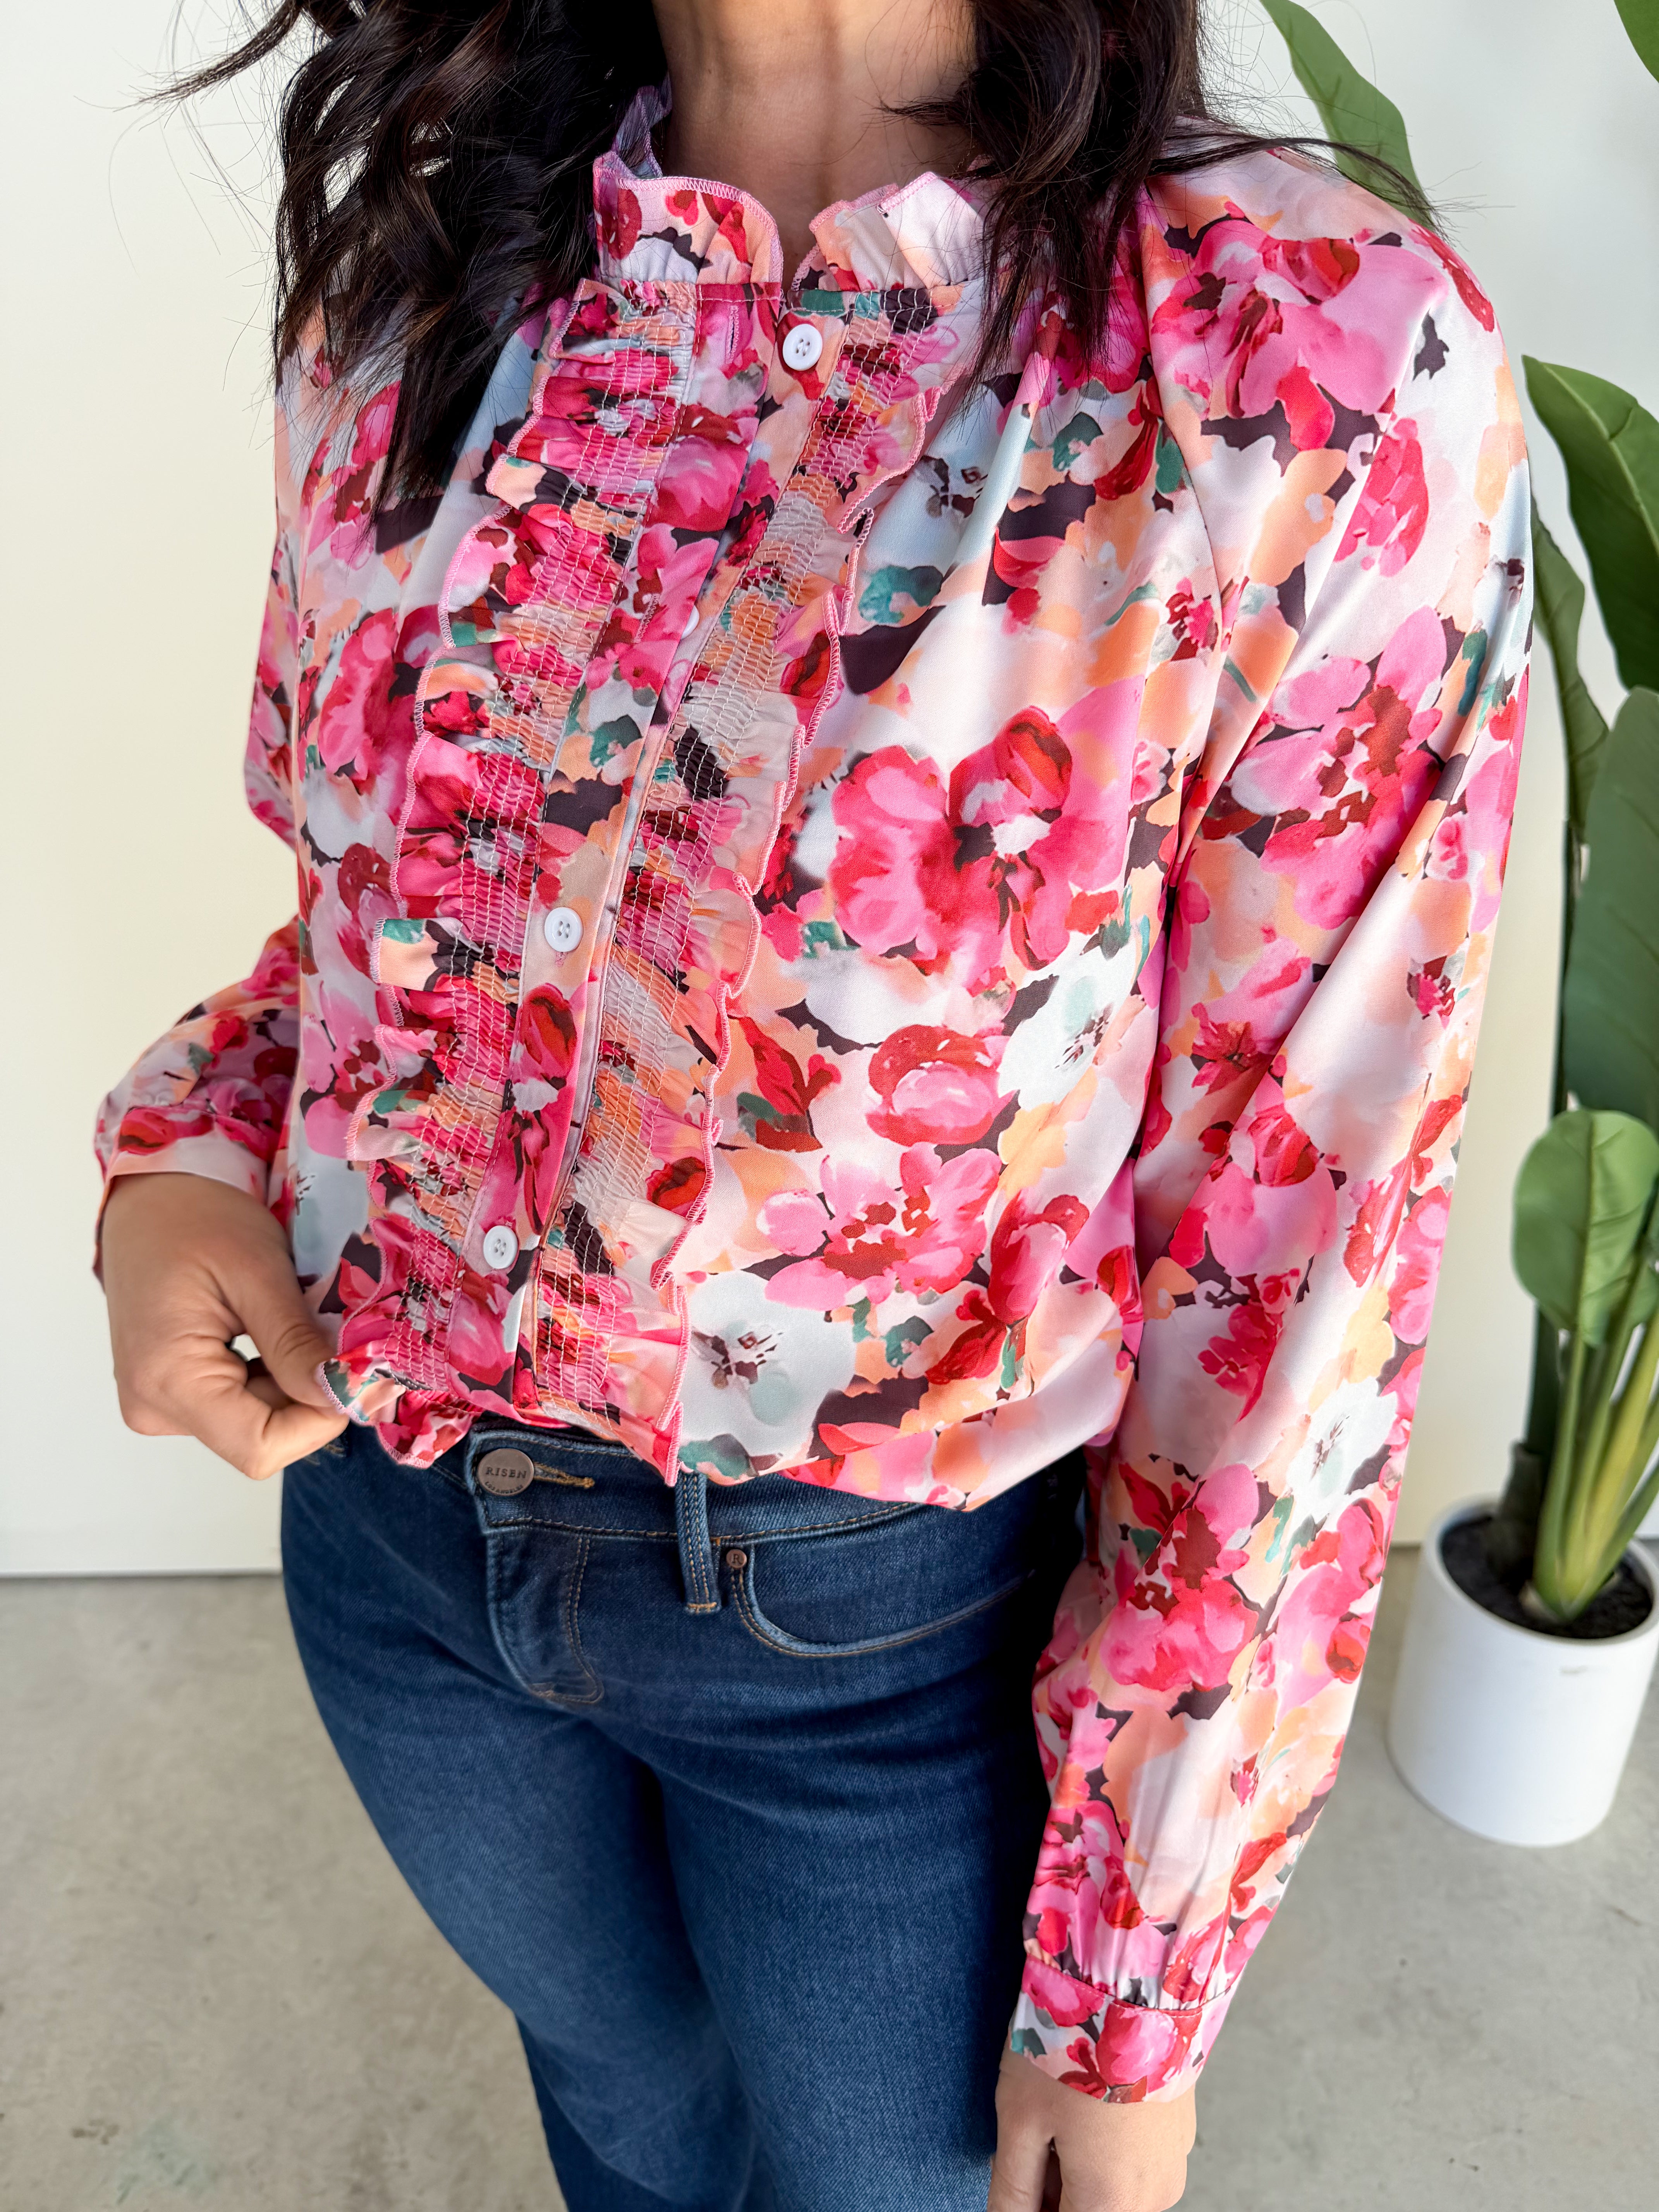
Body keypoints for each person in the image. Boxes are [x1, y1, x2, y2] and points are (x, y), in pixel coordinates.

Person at [95, 1, 1530, 2205]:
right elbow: (375, 927)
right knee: (624, 2117)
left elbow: (1302, 1239)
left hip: (884, 1660)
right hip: (393, 1542)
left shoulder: (1305, 366)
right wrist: (186, 1159)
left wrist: (1134, 1978)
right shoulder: (421, 261)